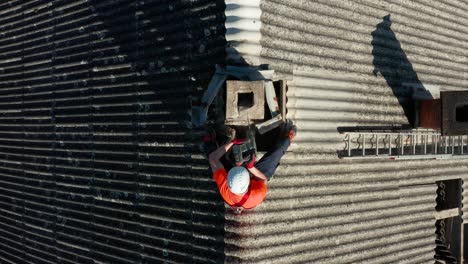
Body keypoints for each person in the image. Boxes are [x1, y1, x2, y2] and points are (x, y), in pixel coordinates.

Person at [209, 122, 296, 213]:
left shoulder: (225, 188)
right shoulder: (257, 194)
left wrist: (232, 142)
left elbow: (213, 158)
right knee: (276, 154)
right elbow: (263, 179)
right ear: (248, 182)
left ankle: (227, 135)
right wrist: (251, 167)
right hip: (257, 177)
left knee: (221, 156)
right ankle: (289, 136)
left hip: (242, 177)